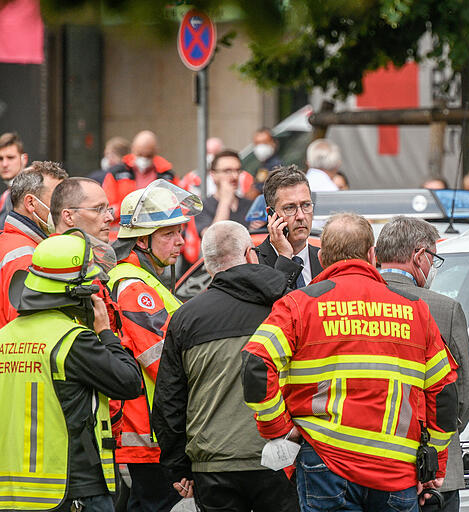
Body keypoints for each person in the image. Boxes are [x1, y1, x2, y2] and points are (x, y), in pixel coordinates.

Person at [241, 212, 459, 512]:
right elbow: (445, 394)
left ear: (324, 257)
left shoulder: (299, 305)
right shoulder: (415, 310)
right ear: (372, 255)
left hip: (325, 464)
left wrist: (278, 429)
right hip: (396, 471)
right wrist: (432, 461)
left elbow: (256, 363)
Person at [152, 221, 299, 512]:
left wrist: (179, 467)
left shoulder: (185, 318)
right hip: (280, 458)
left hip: (213, 464)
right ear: (249, 254)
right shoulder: (284, 307)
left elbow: (169, 400)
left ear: (208, 267)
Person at [0, 232, 142, 512]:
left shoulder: (4, 337)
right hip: (74, 488)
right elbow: (129, 382)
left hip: (12, 491)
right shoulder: (73, 340)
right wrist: (105, 332)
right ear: (77, 292)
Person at [107, 179, 202, 512]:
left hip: (153, 429)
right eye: (168, 234)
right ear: (142, 241)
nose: (180, 241)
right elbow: (163, 362)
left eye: (180, 232)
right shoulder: (135, 288)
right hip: (149, 432)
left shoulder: (146, 281)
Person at [376, 216, 469, 512]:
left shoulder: (355, 302)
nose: (433, 267)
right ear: (420, 256)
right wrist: (438, 439)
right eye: (433, 258)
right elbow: (463, 394)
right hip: (435, 471)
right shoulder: (444, 309)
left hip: (373, 463)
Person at [0, 162, 68, 328]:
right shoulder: (24, 256)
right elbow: (23, 332)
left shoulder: (13, 243)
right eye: (58, 199)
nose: (64, 208)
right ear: (30, 203)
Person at [257, 165, 322, 288]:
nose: (301, 216)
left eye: (306, 205)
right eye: (290, 208)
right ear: (271, 214)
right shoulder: (255, 262)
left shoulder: (326, 259)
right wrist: (285, 257)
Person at [102, 130, 177, 222]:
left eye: (148, 155)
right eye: (140, 154)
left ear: (156, 151)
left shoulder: (167, 175)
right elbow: (106, 208)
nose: (144, 158)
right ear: (133, 149)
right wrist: (131, 209)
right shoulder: (117, 173)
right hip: (122, 230)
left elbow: (176, 206)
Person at [194, 150, 253, 237]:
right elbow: (213, 238)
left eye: (237, 170)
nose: (235, 176)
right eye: (227, 171)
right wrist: (225, 201)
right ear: (213, 175)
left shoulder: (249, 205)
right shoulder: (203, 207)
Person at [51, 177, 115, 244]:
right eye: (99, 209)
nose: (110, 218)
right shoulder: (57, 253)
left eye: (108, 209)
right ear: (68, 217)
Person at [0, 132, 29, 226]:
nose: (4, 164)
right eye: (0, 159)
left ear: (24, 159)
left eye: (10, 158)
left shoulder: (33, 194)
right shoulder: (4, 197)